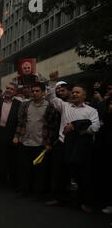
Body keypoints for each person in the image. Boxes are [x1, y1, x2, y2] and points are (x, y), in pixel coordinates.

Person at [45, 77, 100, 213]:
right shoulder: (64, 106)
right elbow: (51, 97)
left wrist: (76, 127)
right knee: (59, 174)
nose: (74, 94)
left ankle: (84, 202)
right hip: (63, 144)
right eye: (73, 92)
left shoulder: (91, 110)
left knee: (82, 175)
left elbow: (95, 127)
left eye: (78, 92)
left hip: (81, 147)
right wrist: (52, 82)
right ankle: (59, 198)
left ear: (84, 95)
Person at [13, 82, 58, 198]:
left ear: (43, 92)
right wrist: (17, 136)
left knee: (39, 171)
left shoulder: (49, 106)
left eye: (38, 91)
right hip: (25, 141)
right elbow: (21, 122)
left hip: (40, 144)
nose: (35, 93)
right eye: (33, 91)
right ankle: (24, 190)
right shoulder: (26, 105)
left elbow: (52, 127)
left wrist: (48, 143)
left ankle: (38, 193)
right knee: (24, 168)